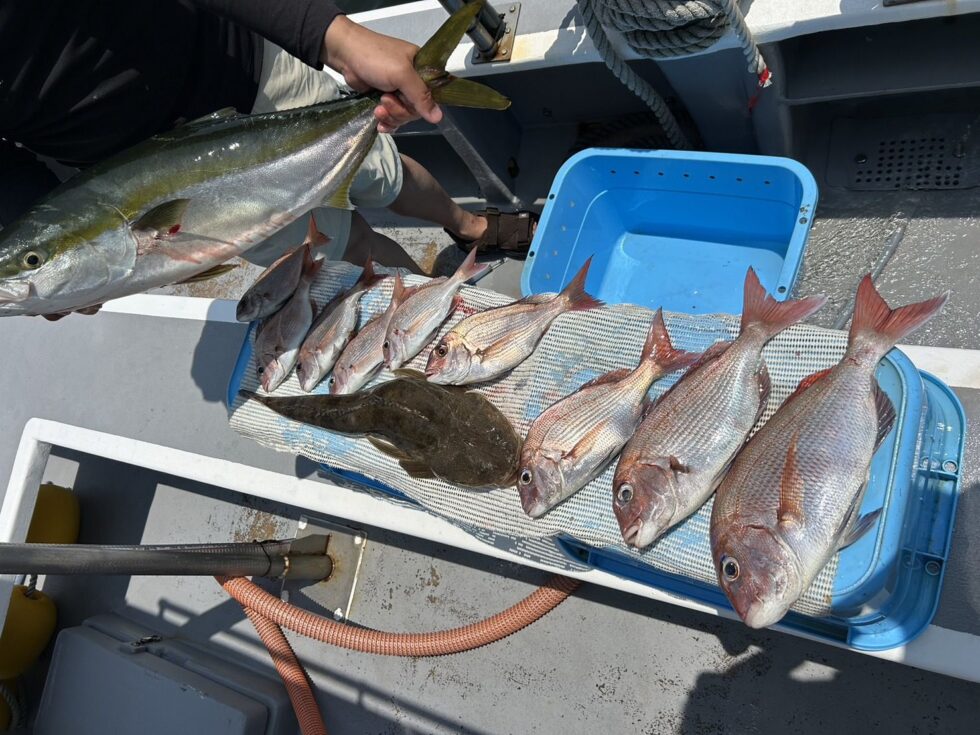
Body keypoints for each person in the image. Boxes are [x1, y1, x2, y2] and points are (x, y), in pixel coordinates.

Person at [0, 1, 535, 313]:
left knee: (382, 173)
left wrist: (337, 37)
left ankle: (472, 225)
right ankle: (436, 312)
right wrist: (43, 246)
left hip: (240, 67)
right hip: (116, 170)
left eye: (30, 267)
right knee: (345, 245)